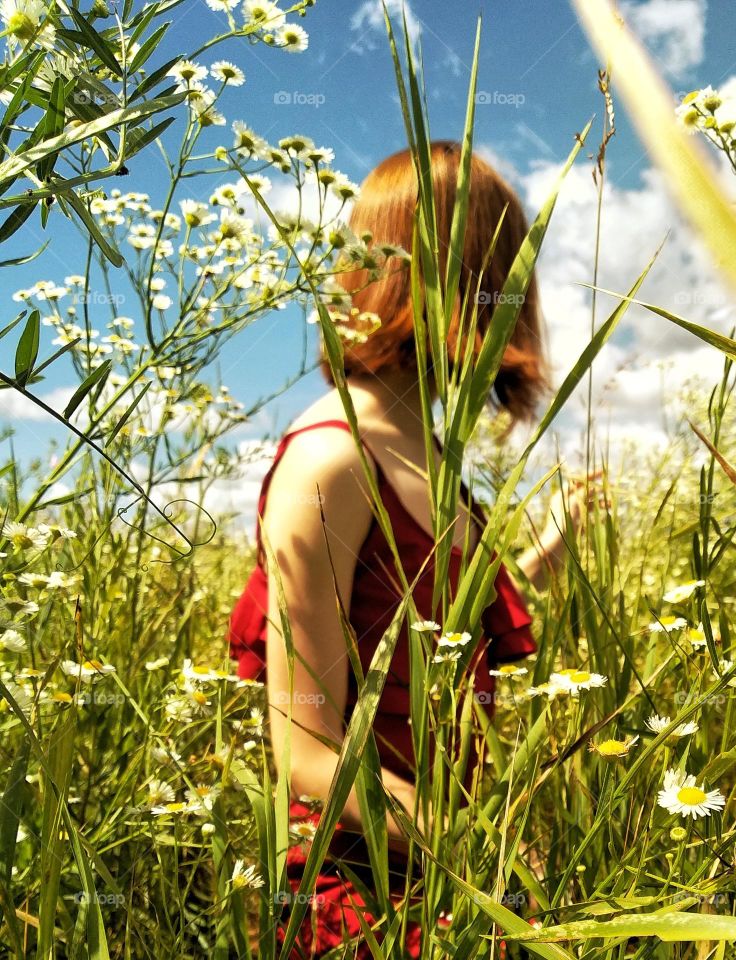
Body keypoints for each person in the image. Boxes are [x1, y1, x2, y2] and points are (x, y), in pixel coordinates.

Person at [228, 141, 594, 957]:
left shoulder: (427, 451)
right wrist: (486, 856)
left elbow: (426, 619)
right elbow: (309, 753)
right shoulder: (334, 457)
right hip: (360, 887)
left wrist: (546, 551)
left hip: (443, 865)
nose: (516, 305)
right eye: (504, 273)